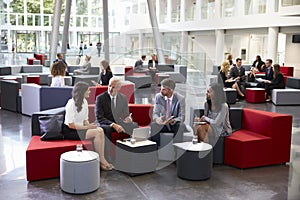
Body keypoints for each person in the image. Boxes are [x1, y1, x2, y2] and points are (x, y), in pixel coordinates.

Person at [62, 81, 113, 170]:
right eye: (88, 90)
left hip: (81, 128)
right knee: (97, 133)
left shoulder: (84, 102)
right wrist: (87, 127)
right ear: (82, 91)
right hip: (71, 131)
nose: (90, 92)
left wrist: (90, 125)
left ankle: (101, 158)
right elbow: (71, 125)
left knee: (100, 130)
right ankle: (102, 160)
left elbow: (85, 120)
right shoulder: (71, 103)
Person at [95, 77, 138, 142]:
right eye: (109, 86)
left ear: (119, 88)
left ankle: (130, 148)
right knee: (107, 129)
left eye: (113, 87)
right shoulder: (100, 98)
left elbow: (126, 114)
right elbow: (99, 117)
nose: (110, 89)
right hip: (105, 123)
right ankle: (107, 151)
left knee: (134, 125)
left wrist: (129, 119)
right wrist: (113, 125)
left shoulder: (123, 98)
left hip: (117, 122)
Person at [150, 78, 186, 147]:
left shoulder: (180, 99)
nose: (161, 91)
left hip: (174, 124)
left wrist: (173, 120)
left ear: (171, 91)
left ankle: (177, 151)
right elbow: (155, 113)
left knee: (180, 126)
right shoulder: (158, 97)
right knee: (154, 125)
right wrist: (157, 119)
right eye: (161, 88)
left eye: (163, 89)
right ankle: (155, 150)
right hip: (162, 123)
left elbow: (182, 117)